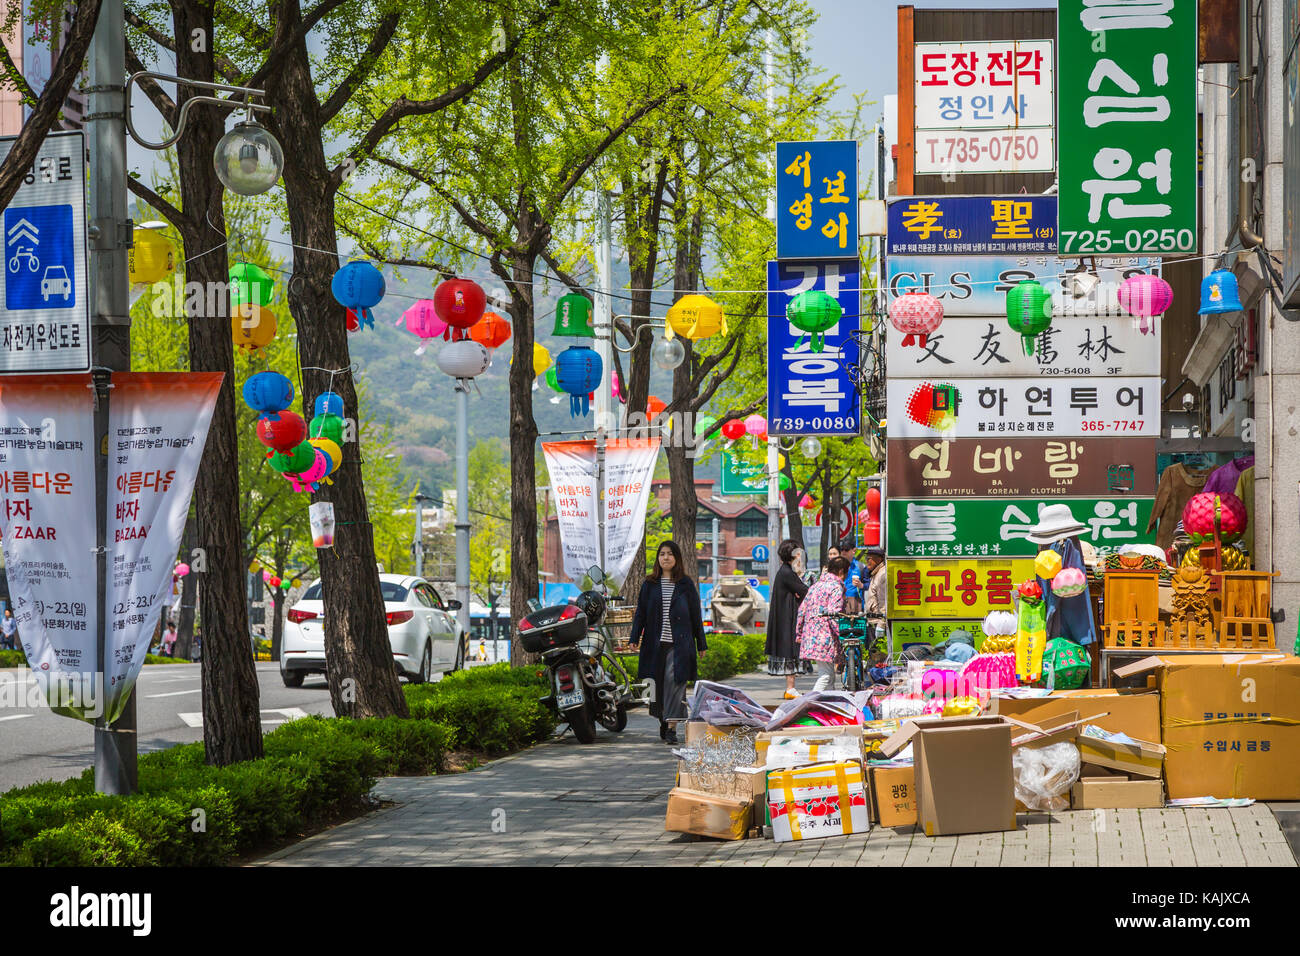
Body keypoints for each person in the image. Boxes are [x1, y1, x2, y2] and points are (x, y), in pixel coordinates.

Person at [629, 540, 707, 744]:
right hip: (655, 645)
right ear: (658, 558)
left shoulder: (685, 584)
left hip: (679, 645)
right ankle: (663, 719)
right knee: (657, 687)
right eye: (662, 554)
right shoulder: (650, 584)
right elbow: (641, 614)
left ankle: (671, 726)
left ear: (677, 558)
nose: (665, 557)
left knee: (675, 683)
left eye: (670, 554)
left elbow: (695, 615)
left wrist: (701, 644)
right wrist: (634, 638)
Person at [795, 555, 850, 691]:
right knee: (826, 675)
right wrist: (843, 633)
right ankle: (811, 702)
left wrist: (799, 632)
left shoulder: (815, 587)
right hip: (825, 638)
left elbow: (802, 610)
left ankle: (830, 702)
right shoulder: (835, 588)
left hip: (811, 636)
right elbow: (833, 614)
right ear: (842, 571)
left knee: (829, 674)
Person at [765, 539, 810, 700]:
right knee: (790, 651)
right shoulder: (787, 572)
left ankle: (790, 688)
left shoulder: (785, 570)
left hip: (785, 616)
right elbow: (804, 590)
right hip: (788, 618)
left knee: (790, 650)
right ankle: (790, 689)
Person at [862, 546, 888, 617]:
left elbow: (884, 605)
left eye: (869, 558)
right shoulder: (876, 573)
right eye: (866, 558)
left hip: (880, 621)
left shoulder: (882, 575)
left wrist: (881, 626)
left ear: (879, 559)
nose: (866, 561)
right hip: (875, 619)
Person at [844, 548, 865, 613]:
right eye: (842, 549)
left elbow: (867, 584)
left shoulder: (860, 566)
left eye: (846, 549)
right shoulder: (839, 566)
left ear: (854, 550)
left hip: (856, 601)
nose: (844, 552)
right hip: (842, 601)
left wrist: (861, 585)